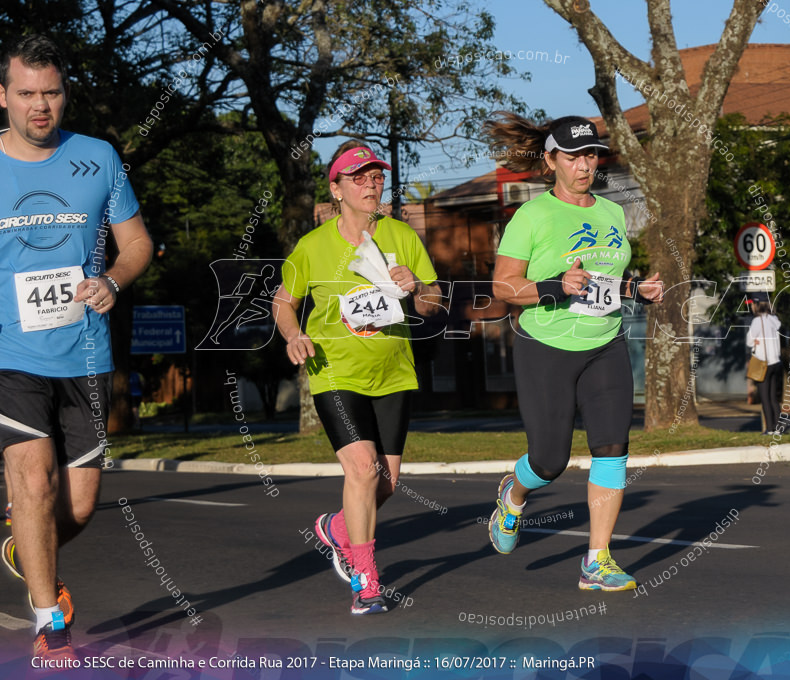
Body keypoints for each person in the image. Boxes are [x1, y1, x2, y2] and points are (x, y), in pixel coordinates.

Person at [0, 35, 152, 660]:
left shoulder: (98, 157)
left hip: (86, 353)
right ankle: (48, 621)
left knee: (80, 505)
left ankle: (24, 544)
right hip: (11, 354)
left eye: (52, 93)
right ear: (2, 96)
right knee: (33, 485)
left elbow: (138, 243)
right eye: (27, 93)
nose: (41, 106)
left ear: (65, 95)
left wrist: (114, 281)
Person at [483, 112, 664, 591]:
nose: (585, 165)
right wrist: (554, 285)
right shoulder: (533, 215)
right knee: (548, 461)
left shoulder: (611, 213)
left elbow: (602, 277)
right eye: (573, 156)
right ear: (550, 161)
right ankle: (513, 495)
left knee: (613, 449)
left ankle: (596, 560)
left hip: (604, 343)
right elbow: (502, 286)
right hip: (546, 345)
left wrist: (635, 289)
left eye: (591, 155)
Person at [272, 141, 440, 614]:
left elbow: (434, 303)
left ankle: (338, 528)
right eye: (359, 176)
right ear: (337, 189)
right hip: (336, 373)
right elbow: (283, 301)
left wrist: (418, 288)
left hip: (393, 372)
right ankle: (365, 581)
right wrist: (293, 334)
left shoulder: (402, 237)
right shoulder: (312, 246)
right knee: (362, 470)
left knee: (385, 482)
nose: (371, 183)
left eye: (376, 176)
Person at [746, 299, 783, 434]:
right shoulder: (774, 320)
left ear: (756, 306)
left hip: (763, 363)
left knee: (765, 397)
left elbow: (749, 340)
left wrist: (755, 340)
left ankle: (770, 429)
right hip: (775, 362)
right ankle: (778, 428)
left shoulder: (757, 321)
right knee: (773, 397)